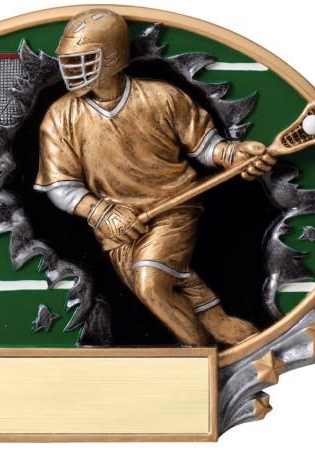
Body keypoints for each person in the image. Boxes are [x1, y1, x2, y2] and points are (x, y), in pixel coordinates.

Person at [34, 8, 276, 346]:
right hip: (117, 228)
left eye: (84, 59)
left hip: (173, 209)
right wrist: (101, 212)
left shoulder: (162, 97)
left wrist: (234, 155)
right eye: (68, 61)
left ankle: (200, 356)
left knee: (151, 284)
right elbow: (62, 185)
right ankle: (219, 325)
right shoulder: (59, 117)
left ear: (113, 56)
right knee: (165, 288)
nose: (72, 69)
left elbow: (206, 146)